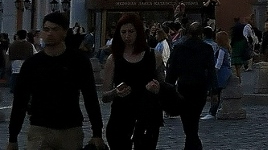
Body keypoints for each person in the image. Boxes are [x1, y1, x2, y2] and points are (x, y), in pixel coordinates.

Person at [8, 11, 104, 150]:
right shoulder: (32, 64)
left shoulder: (78, 61)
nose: (49, 33)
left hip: (70, 128)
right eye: (46, 29)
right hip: (39, 128)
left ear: (64, 32)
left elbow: (90, 97)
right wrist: (12, 138)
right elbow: (20, 102)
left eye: (55, 29)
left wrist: (97, 133)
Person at [101, 13, 162, 149]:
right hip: (120, 118)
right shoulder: (113, 59)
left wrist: (156, 89)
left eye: (131, 31)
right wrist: (116, 92)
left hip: (146, 117)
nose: (127, 36)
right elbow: (104, 96)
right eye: (123, 32)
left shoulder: (154, 56)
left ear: (138, 32)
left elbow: (164, 87)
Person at [166, 23, 215, 150]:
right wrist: (214, 89)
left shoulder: (179, 48)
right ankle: (194, 144)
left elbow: (172, 70)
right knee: (194, 117)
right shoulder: (206, 48)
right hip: (200, 87)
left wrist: (168, 86)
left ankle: (192, 144)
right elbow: (211, 70)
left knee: (187, 118)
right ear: (201, 34)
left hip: (184, 86)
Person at [203, 31, 232, 120]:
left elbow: (218, 64)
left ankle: (212, 112)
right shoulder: (226, 49)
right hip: (226, 72)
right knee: (217, 92)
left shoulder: (221, 50)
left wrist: (212, 73)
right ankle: (214, 110)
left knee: (215, 92)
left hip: (221, 73)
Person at [6, 30, 34, 96]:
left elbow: (7, 55)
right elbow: (35, 55)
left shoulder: (12, 45)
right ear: (26, 36)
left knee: (15, 89)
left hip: (15, 69)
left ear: (18, 36)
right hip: (27, 69)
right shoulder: (30, 45)